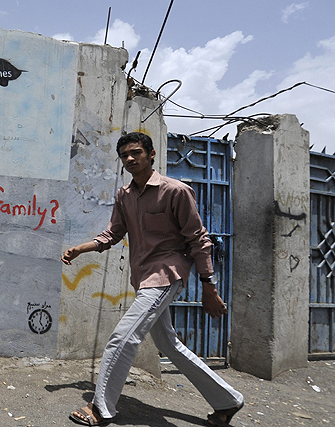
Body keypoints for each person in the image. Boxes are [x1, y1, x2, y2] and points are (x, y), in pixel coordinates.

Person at [61, 132, 243, 426]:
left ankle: (100, 409)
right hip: (144, 276)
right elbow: (113, 234)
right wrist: (83, 248)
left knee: (122, 338)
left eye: (136, 153)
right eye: (125, 156)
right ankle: (228, 401)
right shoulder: (125, 195)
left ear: (151, 154)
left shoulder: (176, 191)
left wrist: (209, 285)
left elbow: (198, 239)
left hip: (167, 274)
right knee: (169, 345)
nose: (130, 159)